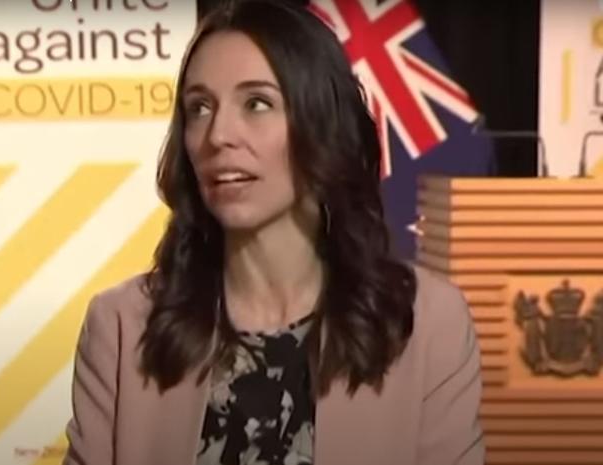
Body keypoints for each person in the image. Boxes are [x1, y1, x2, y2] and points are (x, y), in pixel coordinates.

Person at [62, 0, 484, 464]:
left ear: (322, 124)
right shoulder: (121, 327)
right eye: (199, 108)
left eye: (257, 103)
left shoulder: (427, 325)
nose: (218, 135)